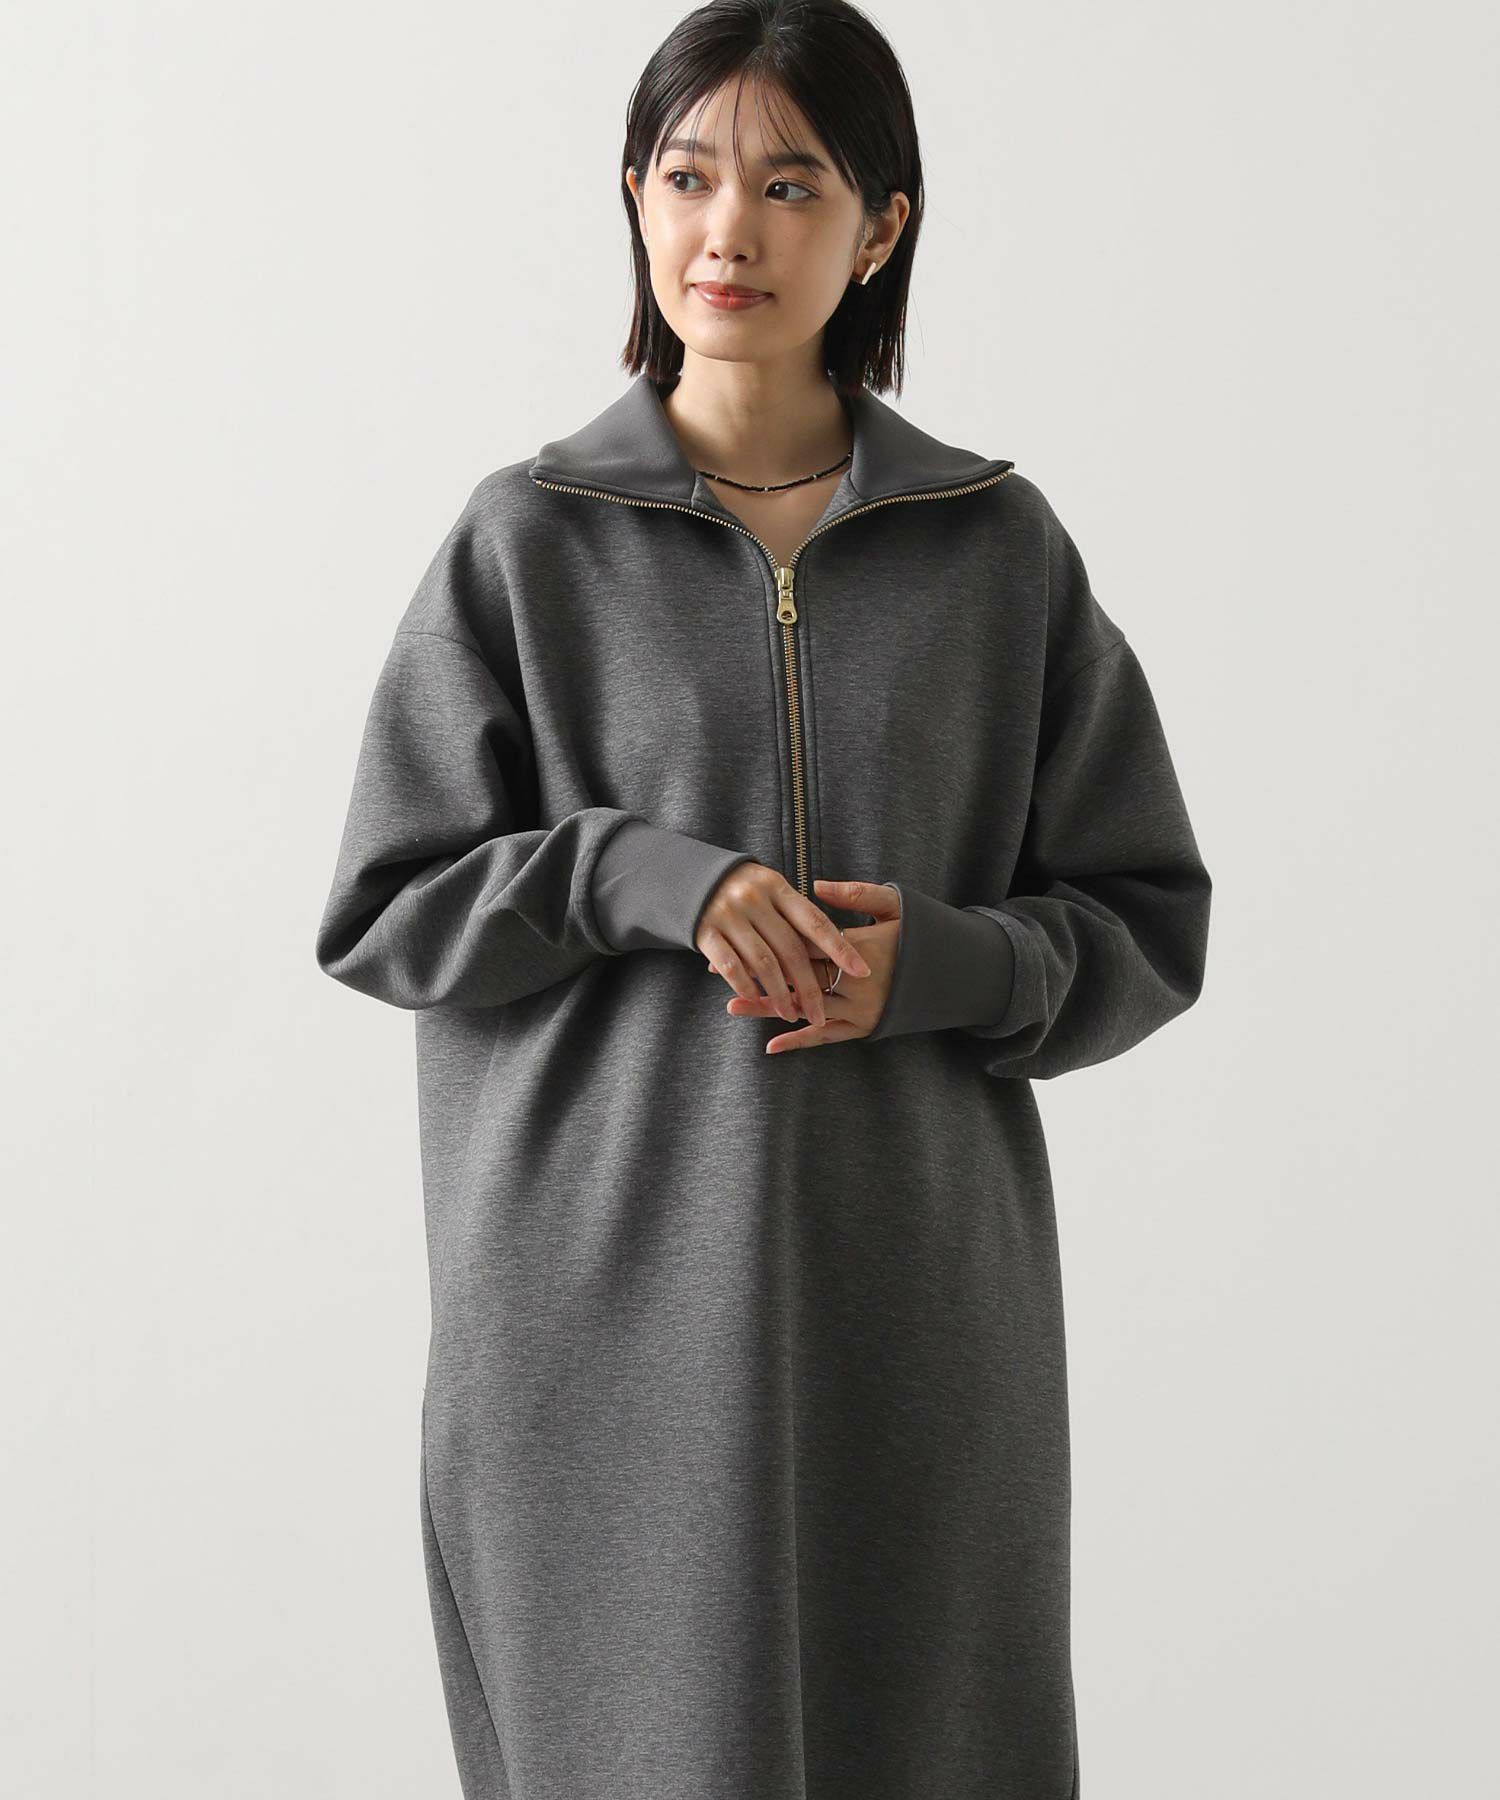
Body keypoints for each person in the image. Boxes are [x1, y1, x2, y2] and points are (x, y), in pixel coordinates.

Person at [314, 3, 1212, 1795]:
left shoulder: (995, 550)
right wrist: (631, 868)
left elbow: (1144, 920)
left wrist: (947, 965)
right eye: (689, 175)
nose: (730, 227)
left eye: (792, 184)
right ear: (634, 198)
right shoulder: (529, 540)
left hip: (916, 1320)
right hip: (596, 1317)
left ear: (881, 226)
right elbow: (385, 910)